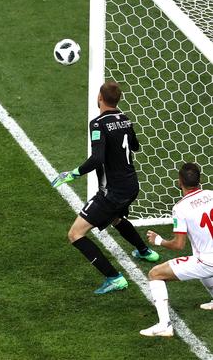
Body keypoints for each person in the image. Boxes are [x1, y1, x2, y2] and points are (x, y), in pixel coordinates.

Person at [51, 81, 160, 294]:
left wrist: (72, 174)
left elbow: (97, 158)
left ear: (100, 97)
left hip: (113, 192)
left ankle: (114, 278)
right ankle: (145, 251)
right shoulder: (125, 119)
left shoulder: (98, 123)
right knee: (114, 217)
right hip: (131, 185)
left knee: (75, 234)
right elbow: (135, 146)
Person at [140, 163, 213, 337]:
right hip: (208, 258)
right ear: (199, 179)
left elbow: (178, 245)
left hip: (208, 261)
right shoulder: (211, 194)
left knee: (155, 274)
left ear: (180, 181)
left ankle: (164, 325)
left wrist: (159, 240)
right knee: (198, 260)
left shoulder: (180, 208)